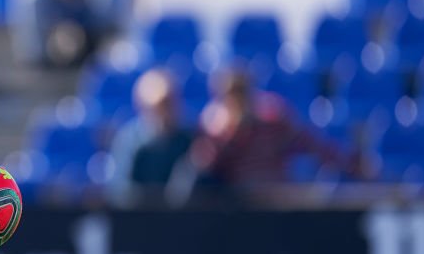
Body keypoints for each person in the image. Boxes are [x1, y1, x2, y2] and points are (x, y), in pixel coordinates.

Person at [191, 68, 357, 192]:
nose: (237, 101)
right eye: (231, 95)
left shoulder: (273, 118)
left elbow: (312, 144)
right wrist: (228, 136)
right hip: (237, 208)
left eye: (241, 92)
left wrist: (349, 163)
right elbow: (204, 168)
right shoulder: (215, 128)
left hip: (275, 200)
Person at [107, 68, 195, 205]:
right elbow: (120, 190)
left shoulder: (188, 139)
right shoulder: (128, 140)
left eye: (169, 103)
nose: (165, 112)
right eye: (160, 106)